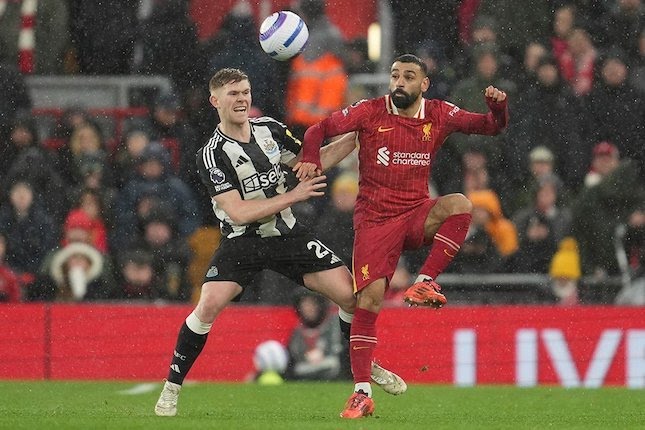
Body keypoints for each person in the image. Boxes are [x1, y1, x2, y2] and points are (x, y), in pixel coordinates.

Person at [154, 68, 406, 418]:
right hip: (243, 241)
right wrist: (294, 195)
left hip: (287, 235)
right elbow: (238, 212)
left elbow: (311, 164)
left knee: (352, 297)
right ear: (215, 101)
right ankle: (171, 389)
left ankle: (365, 364)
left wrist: (358, 135)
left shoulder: (270, 130)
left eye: (245, 91)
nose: (242, 99)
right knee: (208, 305)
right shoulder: (212, 154)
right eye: (233, 94)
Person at [295, 53, 508, 417]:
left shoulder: (439, 113)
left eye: (409, 77)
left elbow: (491, 127)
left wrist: (498, 108)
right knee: (369, 304)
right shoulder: (370, 111)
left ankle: (424, 282)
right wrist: (311, 157)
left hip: (414, 214)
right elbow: (317, 130)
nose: (400, 83)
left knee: (459, 204)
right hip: (375, 224)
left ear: (423, 84)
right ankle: (361, 392)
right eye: (395, 75)